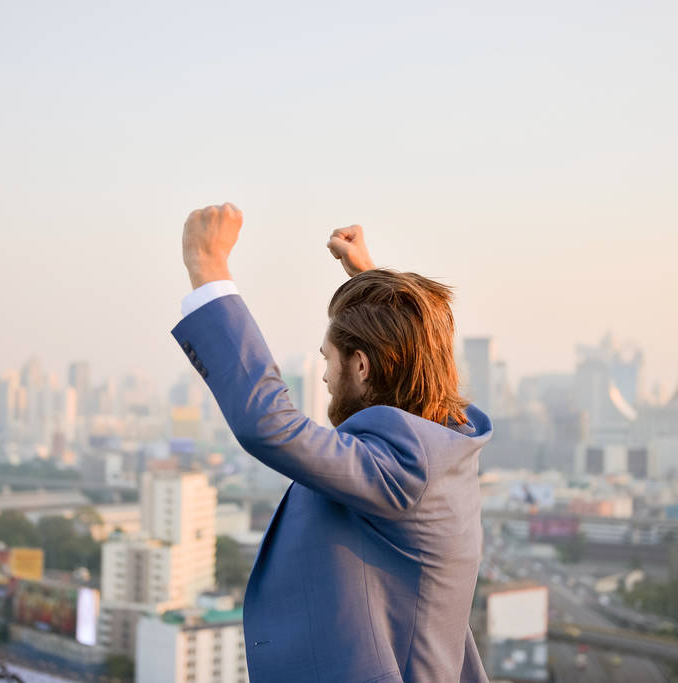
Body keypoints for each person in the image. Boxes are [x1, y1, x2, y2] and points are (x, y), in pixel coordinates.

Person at [172, 203, 493, 682]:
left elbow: (269, 425)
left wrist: (209, 268)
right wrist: (373, 284)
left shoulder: (405, 467)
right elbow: (422, 352)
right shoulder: (444, 445)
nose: (323, 376)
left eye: (328, 358)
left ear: (362, 366)